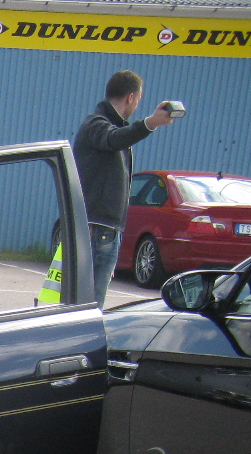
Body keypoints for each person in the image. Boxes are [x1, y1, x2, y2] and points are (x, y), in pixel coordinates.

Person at [73, 70, 174, 305]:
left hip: (105, 227)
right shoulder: (97, 124)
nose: (138, 104)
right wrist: (150, 123)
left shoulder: (109, 126)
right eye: (139, 99)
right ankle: (83, 339)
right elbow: (114, 139)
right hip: (98, 227)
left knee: (88, 300)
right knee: (90, 303)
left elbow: (118, 137)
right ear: (131, 97)